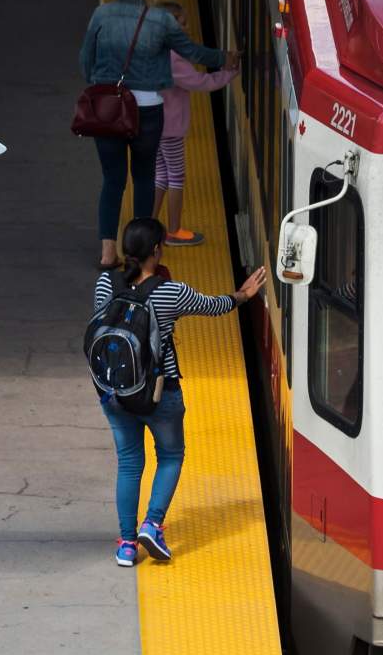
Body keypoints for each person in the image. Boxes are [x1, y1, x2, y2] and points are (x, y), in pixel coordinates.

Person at [95, 217, 265, 567]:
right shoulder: (169, 291)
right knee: (170, 456)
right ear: (156, 250)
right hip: (160, 393)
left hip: (114, 392)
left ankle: (127, 544)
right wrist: (243, 295)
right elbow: (214, 305)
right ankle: (152, 524)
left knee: (129, 464)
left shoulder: (104, 283)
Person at [79, 0, 239, 269]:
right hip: (148, 110)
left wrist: (102, 84)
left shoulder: (102, 14)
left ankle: (107, 253)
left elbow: (86, 58)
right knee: (143, 178)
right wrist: (226, 58)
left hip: (108, 108)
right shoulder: (161, 20)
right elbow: (192, 52)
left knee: (112, 180)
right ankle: (137, 253)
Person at [152, 1, 239, 247]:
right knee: (176, 177)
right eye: (182, 23)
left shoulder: (154, 49)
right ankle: (174, 231)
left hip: (154, 122)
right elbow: (200, 82)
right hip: (171, 127)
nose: (187, 27)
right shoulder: (174, 58)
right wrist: (231, 73)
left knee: (159, 175)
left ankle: (148, 225)